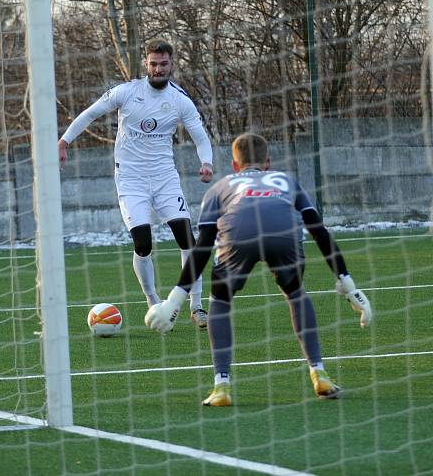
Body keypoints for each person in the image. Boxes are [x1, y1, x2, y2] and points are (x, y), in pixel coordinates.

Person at [145, 132, 373, 406]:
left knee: (220, 300)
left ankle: (221, 386)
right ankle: (319, 372)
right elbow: (319, 232)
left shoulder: (220, 186)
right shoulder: (287, 181)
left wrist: (175, 299)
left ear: (234, 165)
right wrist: (348, 284)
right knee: (295, 292)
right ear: (268, 162)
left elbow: (203, 245)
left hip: (239, 232)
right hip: (284, 233)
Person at [58, 38, 215, 327]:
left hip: (165, 177)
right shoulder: (126, 92)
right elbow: (90, 113)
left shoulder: (180, 100)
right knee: (143, 244)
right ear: (146, 64)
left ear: (171, 64)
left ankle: (196, 306)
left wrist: (207, 162)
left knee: (187, 239)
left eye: (163, 64)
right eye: (153, 64)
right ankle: (154, 302)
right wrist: (65, 140)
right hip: (130, 179)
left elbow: (201, 136)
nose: (158, 69)